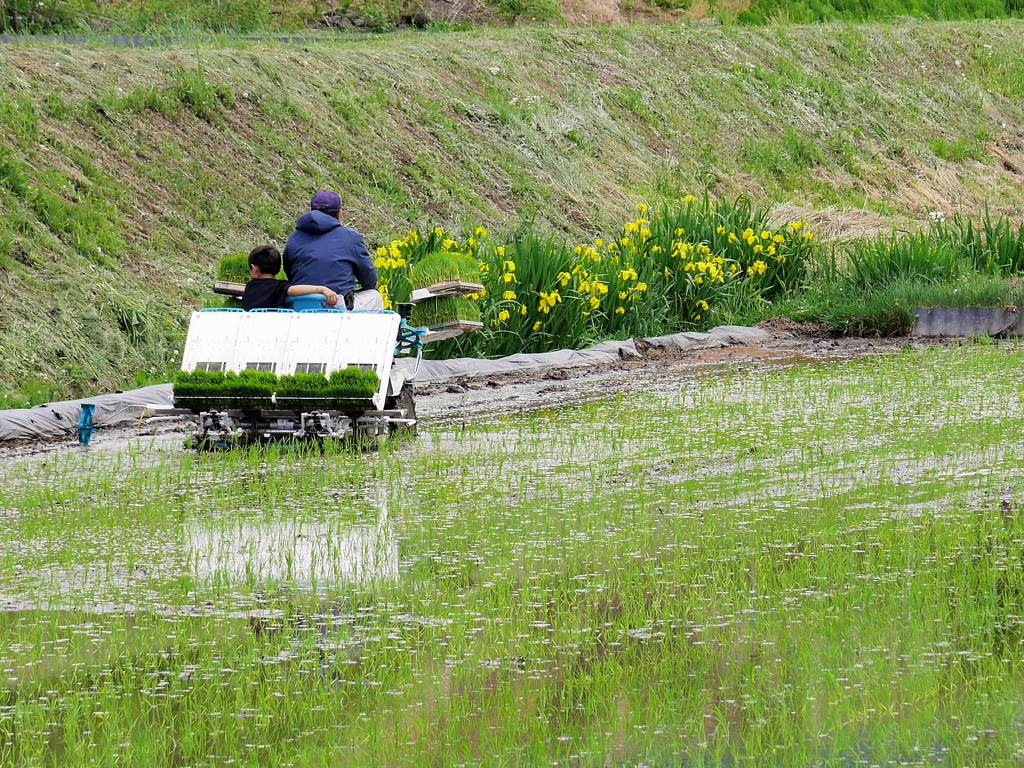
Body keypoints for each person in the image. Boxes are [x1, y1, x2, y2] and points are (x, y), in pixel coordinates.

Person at [282, 190, 383, 311]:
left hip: (302, 305)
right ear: (339, 214)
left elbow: (290, 274)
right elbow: (368, 279)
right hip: (335, 305)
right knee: (374, 296)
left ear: (311, 211)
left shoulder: (294, 238)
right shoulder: (351, 237)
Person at [241, 244, 339, 311]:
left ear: (254, 269)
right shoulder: (279, 286)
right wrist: (321, 289)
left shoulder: (250, 286)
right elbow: (292, 290)